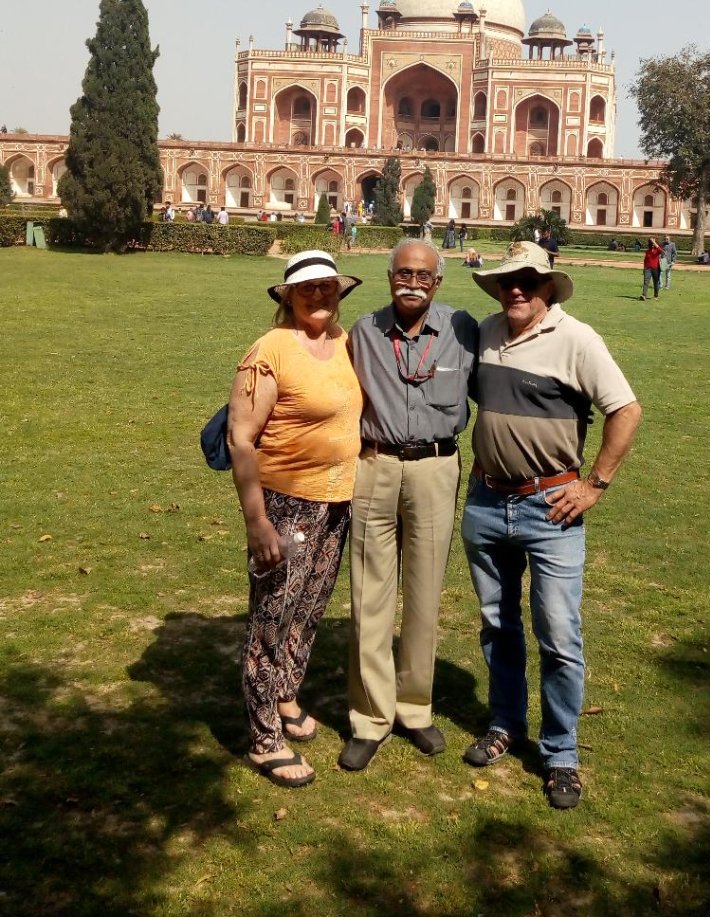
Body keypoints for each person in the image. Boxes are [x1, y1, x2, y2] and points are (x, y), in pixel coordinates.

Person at [461, 242, 642, 809]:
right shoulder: (486, 333)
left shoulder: (576, 339)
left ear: (547, 289)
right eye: (508, 281)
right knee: (497, 625)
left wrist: (595, 484)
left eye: (529, 282)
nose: (517, 289)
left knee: (559, 635)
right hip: (488, 502)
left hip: (551, 507)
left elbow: (625, 408)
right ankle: (505, 723)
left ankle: (560, 751)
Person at [226, 249, 363, 788]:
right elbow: (241, 439)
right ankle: (263, 738)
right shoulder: (271, 350)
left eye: (328, 286)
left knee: (307, 609)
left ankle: (285, 693)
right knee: (271, 616)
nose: (320, 294)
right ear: (287, 295)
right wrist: (256, 520)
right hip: (285, 503)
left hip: (336, 501)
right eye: (308, 287)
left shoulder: (343, 343)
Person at [342, 240, 478, 771]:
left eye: (423, 274)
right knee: (369, 593)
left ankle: (415, 708)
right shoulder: (365, 332)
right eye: (403, 272)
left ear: (438, 282)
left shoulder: (463, 330)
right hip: (374, 464)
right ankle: (369, 717)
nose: (412, 282)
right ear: (389, 275)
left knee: (424, 592)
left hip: (436, 467)